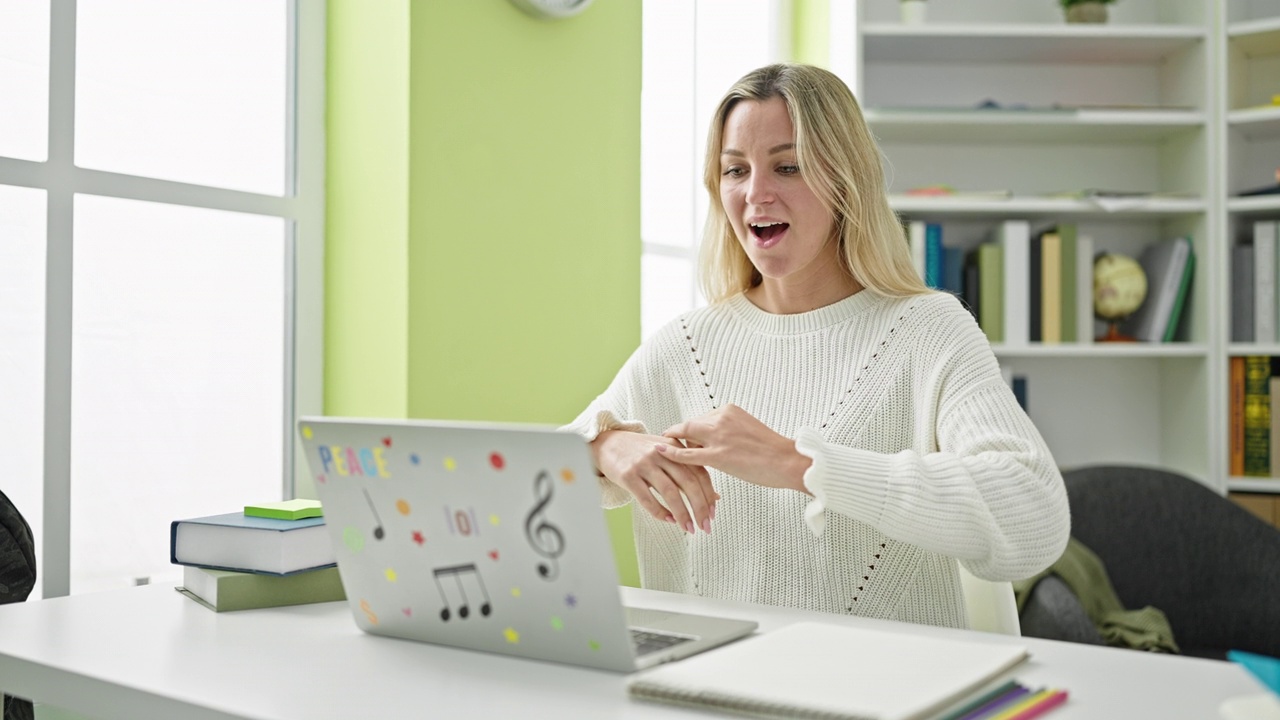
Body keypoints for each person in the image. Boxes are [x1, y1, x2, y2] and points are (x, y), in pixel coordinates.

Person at [563, 63, 1069, 629]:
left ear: (845, 180)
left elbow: (1035, 516)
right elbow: (518, 479)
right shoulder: (684, 347)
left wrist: (797, 463)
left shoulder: (928, 330)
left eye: (788, 166)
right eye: (736, 170)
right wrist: (604, 446)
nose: (756, 193)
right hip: (709, 688)